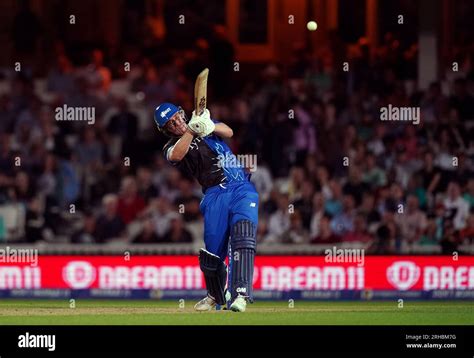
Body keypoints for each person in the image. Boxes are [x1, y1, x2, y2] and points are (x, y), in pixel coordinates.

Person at [154, 102, 258, 312]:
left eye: (177, 118)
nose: (176, 124)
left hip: (240, 187)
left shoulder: (202, 123)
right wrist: (192, 131)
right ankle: (214, 296)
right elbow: (176, 155)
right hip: (214, 195)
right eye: (170, 124)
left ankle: (240, 295)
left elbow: (228, 131)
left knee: (243, 235)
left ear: (182, 114)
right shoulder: (170, 147)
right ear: (166, 131)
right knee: (212, 255)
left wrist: (208, 126)